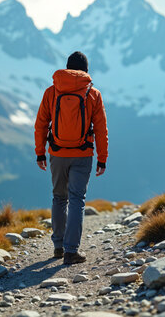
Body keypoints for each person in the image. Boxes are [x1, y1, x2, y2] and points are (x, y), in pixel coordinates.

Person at [34, 51, 109, 264]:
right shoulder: (93, 94)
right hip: (83, 154)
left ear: (67, 68)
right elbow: (101, 129)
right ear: (85, 71)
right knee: (77, 199)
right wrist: (102, 158)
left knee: (59, 197)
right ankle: (71, 251)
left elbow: (41, 123)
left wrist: (40, 152)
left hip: (57, 153)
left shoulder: (51, 91)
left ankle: (58, 245)